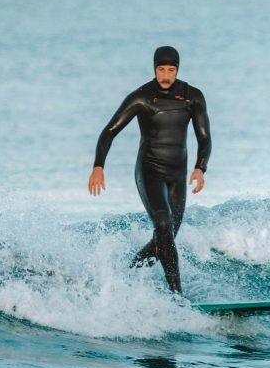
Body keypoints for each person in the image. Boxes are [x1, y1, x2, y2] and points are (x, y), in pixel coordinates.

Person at [88, 46, 211, 295]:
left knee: (164, 239)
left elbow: (204, 137)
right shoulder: (142, 97)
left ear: (177, 70)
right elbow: (109, 131)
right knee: (163, 224)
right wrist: (98, 167)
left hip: (178, 175)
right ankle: (178, 296)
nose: (166, 75)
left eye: (171, 70)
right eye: (161, 69)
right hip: (149, 170)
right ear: (154, 69)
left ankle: (124, 279)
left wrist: (200, 168)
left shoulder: (192, 96)